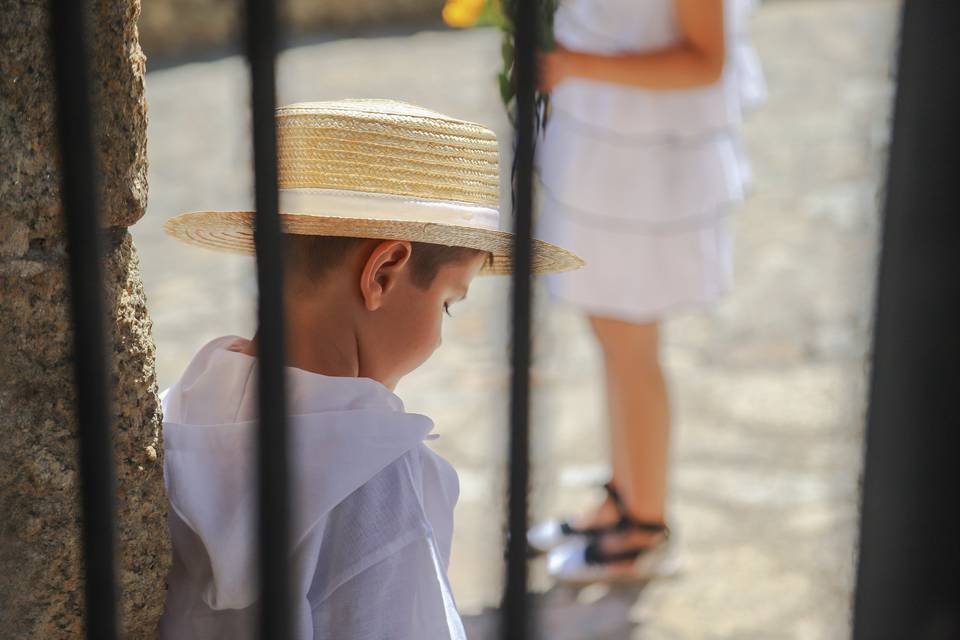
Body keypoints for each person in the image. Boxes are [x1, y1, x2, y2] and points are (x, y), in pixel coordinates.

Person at [157, 99, 582, 639]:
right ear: (382, 271)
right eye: (448, 303)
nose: (441, 332)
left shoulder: (182, 409)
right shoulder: (377, 476)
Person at [528, 0, 765, 583]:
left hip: (649, 165)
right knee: (609, 331)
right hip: (603, 144)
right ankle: (624, 495)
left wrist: (570, 62)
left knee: (631, 341)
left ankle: (645, 525)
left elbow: (705, 60)